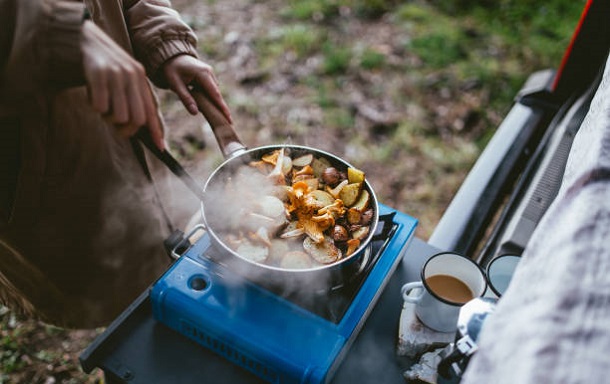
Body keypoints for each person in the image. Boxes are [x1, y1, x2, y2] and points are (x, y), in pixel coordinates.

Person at [0, 0, 233, 328]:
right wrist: (58, 30)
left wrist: (162, 39)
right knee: (113, 299)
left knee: (154, 249)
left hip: (124, 132)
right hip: (41, 163)